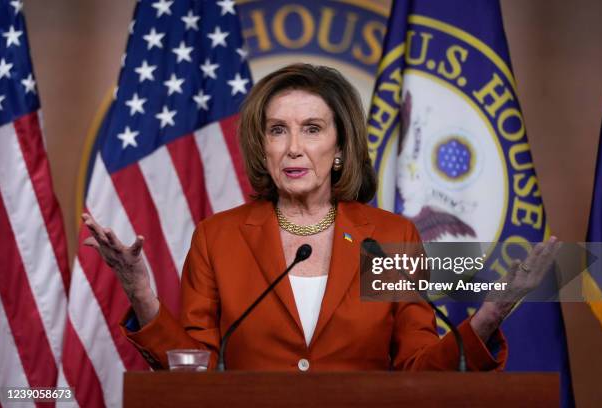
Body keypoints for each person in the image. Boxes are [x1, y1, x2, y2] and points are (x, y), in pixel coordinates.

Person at [82, 63, 559, 371]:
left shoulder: (389, 237)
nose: (293, 147)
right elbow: (195, 370)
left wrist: (487, 318)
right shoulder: (219, 237)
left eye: (311, 129)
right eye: (277, 131)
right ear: (261, 147)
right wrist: (140, 293)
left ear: (339, 147)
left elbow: (417, 366)